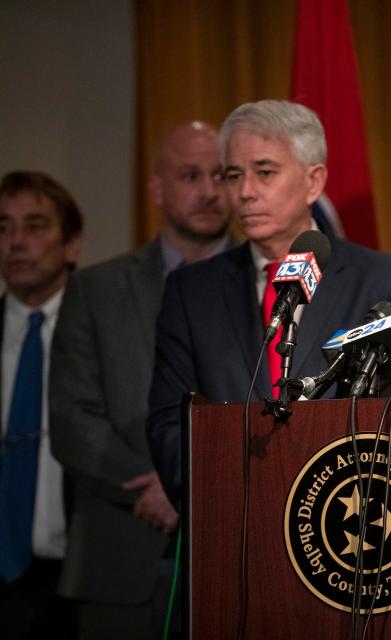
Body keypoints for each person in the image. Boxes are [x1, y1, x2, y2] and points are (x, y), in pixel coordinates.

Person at [147, 100, 391, 506]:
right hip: (228, 519)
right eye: (234, 175)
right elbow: (168, 425)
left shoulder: (382, 280)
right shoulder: (191, 291)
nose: (245, 192)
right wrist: (239, 493)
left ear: (313, 182)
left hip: (344, 518)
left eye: (265, 172)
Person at [48, 121, 233, 638]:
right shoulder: (96, 289)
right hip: (119, 552)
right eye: (190, 175)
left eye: (221, 175)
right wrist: (154, 486)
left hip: (236, 554)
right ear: (157, 189)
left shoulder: (267, 281)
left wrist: (197, 488)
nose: (210, 191)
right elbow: (70, 415)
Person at [0, 170, 83, 637]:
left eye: (34, 226)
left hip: (76, 579)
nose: (16, 242)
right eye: (3, 227)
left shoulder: (103, 335)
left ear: (71, 244)